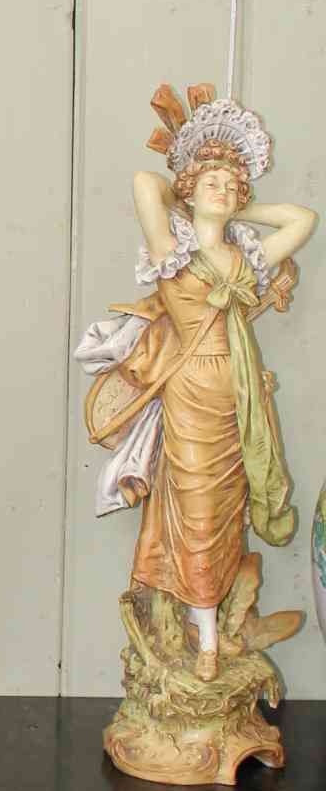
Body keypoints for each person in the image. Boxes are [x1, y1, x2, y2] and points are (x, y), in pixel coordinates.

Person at [77, 85, 316, 679]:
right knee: (196, 513)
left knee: (227, 512)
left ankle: (208, 633)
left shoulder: (247, 259)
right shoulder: (171, 253)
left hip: (238, 394)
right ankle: (203, 638)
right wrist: (192, 185)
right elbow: (143, 184)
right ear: (189, 188)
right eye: (215, 182)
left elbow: (302, 219)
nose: (226, 191)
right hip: (189, 392)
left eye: (235, 186)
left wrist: (237, 210)